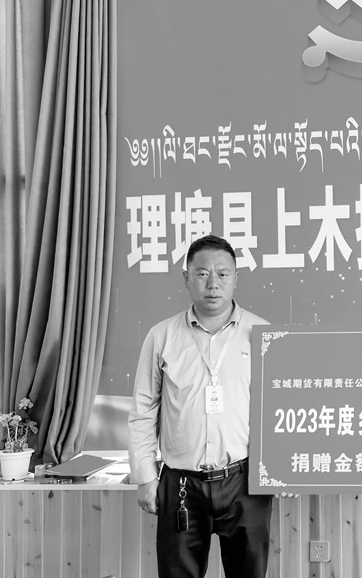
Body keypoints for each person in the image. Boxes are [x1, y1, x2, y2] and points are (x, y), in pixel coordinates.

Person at [128, 234, 273, 578]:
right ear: (186, 278)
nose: (213, 284)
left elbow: (279, 409)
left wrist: (284, 470)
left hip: (244, 482)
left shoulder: (263, 334)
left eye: (223, 274)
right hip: (181, 484)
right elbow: (143, 411)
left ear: (236, 278)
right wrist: (145, 478)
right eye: (202, 273)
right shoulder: (161, 336)